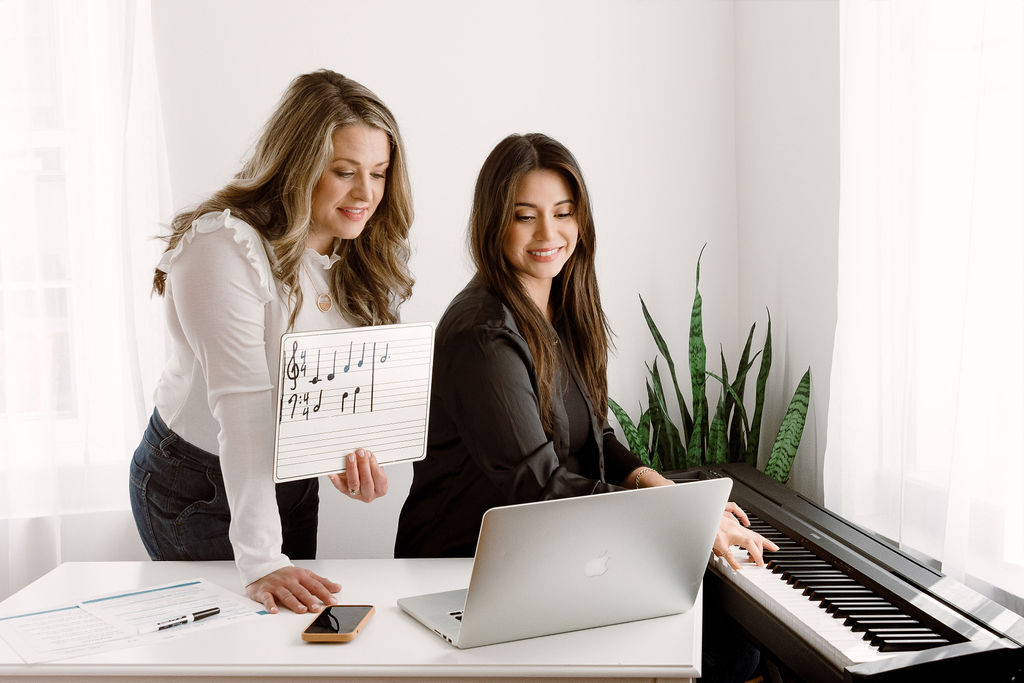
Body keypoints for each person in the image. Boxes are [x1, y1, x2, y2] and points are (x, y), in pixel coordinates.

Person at [395, 133, 776, 682]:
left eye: (563, 213)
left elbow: (592, 434)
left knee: (738, 638)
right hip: (472, 574)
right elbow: (539, 488)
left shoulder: (559, 304)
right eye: (525, 216)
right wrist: (678, 523)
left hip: (562, 551)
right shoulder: (482, 334)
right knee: (726, 651)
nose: (549, 234)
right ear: (493, 222)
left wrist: (657, 485)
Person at [130, 70, 412, 616]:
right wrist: (261, 562)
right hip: (199, 480)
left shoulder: (355, 248)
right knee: (233, 648)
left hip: (284, 475)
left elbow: (325, 383)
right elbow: (245, 410)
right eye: (344, 172)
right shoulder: (223, 248)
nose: (366, 194)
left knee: (287, 641)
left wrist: (337, 454)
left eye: (378, 173)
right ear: (298, 165)